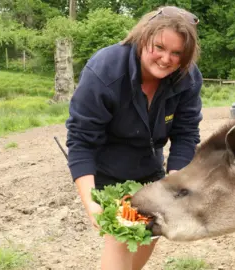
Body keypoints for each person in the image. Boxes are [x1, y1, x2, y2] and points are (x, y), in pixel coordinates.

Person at [65, 5, 203, 270]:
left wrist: (173, 186)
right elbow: (81, 141)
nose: (166, 59)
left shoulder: (188, 78)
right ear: (143, 37)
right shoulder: (105, 70)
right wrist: (91, 201)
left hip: (149, 166)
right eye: (159, 47)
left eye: (177, 53)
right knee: (122, 234)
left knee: (147, 234)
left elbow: (186, 134)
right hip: (108, 168)